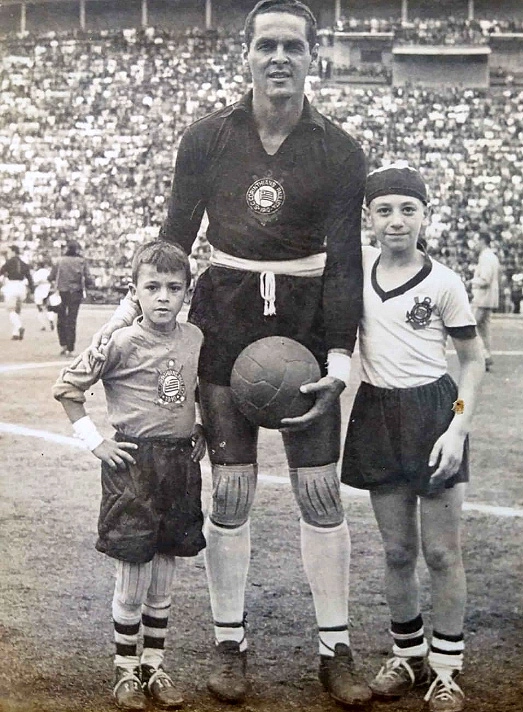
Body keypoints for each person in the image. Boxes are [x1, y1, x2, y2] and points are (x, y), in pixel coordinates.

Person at [85, 0, 370, 707]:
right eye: (266, 44)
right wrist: (125, 315)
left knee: (317, 492)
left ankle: (334, 650)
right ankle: (228, 644)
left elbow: (342, 260)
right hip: (225, 317)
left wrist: (338, 357)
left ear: (313, 55)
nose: (279, 57)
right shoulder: (206, 137)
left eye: (292, 46)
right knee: (234, 492)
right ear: (245, 55)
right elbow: (175, 235)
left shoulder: (340, 148)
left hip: (304, 322)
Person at [341, 164, 485, 712]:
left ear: (425, 215)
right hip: (377, 411)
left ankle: (447, 668)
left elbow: (473, 362)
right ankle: (407, 653)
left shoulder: (444, 281)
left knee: (442, 552)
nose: (396, 220)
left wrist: (457, 427)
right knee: (398, 550)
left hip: (433, 411)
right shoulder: (356, 270)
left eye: (408, 209)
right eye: (384, 210)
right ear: (369, 218)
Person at [53, 241, 206, 711]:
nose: (163, 296)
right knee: (134, 569)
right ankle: (124, 670)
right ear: (134, 292)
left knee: (165, 568)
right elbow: (67, 388)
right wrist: (95, 442)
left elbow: (188, 388)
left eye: (174, 288)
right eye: (152, 287)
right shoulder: (117, 341)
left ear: (187, 292)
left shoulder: (195, 337)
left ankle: (153, 664)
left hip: (180, 465)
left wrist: (197, 423)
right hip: (134, 467)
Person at [50, 239, 92, 357]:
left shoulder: (59, 261)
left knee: (61, 318)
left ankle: (63, 344)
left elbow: (51, 276)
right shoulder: (81, 261)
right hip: (76, 292)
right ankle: (70, 347)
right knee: (72, 319)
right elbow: (88, 278)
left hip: (61, 292)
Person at [469, 234, 500, 372]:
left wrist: (470, 282)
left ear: (482, 241)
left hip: (482, 297)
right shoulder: (492, 256)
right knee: (484, 329)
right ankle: (487, 355)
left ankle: (485, 355)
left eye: (476, 241)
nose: (475, 244)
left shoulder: (485, 257)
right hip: (489, 298)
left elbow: (485, 280)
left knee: (471, 325)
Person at [0, 245, 34, 341]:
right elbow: (30, 278)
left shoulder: (8, 263)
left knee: (11, 310)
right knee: (17, 310)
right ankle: (15, 333)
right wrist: (32, 290)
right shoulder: (24, 264)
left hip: (12, 286)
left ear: (13, 252)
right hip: (21, 287)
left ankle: (19, 327)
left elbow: (1, 272)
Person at [33, 257, 57, 332]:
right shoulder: (48, 272)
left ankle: (43, 325)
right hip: (48, 290)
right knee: (49, 308)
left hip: (39, 291)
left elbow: (35, 283)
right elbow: (53, 281)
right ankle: (51, 320)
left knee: (40, 309)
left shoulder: (36, 273)